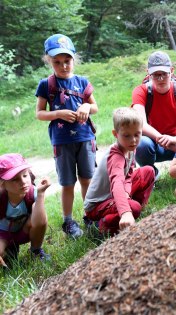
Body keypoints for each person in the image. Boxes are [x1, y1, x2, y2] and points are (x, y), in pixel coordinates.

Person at [35, 34, 98, 238]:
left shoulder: (82, 82)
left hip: (85, 138)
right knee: (68, 183)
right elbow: (39, 113)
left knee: (87, 179)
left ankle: (90, 215)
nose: (63, 66)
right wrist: (58, 113)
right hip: (62, 141)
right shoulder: (47, 84)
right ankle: (68, 222)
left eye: (67, 61)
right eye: (57, 62)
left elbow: (95, 107)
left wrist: (87, 106)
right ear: (49, 61)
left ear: (74, 59)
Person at [83, 107, 155, 236]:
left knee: (148, 171)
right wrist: (126, 211)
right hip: (98, 204)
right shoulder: (116, 156)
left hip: (116, 194)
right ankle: (102, 225)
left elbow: (129, 174)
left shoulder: (130, 147)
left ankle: (131, 212)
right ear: (115, 134)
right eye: (126, 135)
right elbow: (116, 184)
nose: (133, 140)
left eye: (137, 134)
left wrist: (127, 192)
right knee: (133, 208)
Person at [132, 51, 176, 178]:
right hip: (153, 142)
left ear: (171, 71)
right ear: (148, 73)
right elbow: (141, 124)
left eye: (164, 74)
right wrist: (163, 140)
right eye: (155, 75)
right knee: (141, 143)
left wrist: (175, 140)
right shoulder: (141, 91)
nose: (160, 79)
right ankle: (151, 174)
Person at [0, 154, 51, 267]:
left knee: (37, 210)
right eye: (15, 179)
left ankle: (36, 251)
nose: (23, 182)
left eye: (25, 175)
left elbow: (40, 222)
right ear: (2, 183)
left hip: (24, 231)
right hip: (3, 236)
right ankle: (10, 251)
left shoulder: (34, 193)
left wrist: (41, 194)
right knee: (7, 261)